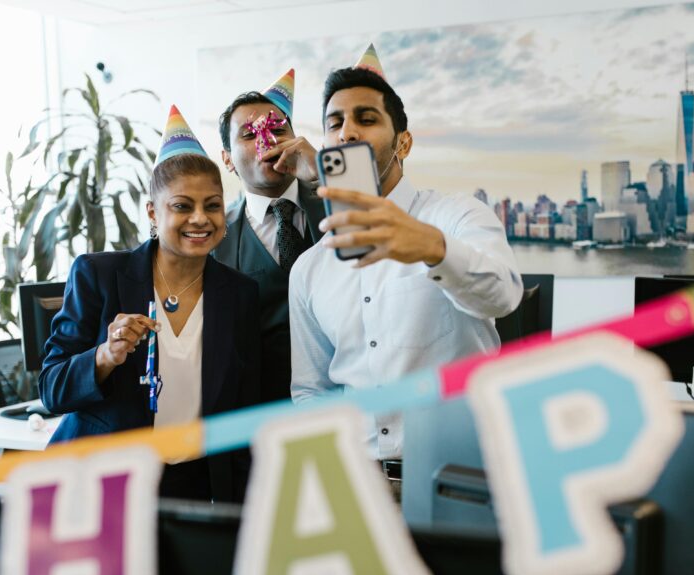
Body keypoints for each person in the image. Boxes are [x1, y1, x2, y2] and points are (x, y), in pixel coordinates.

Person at [288, 44, 523, 464]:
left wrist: (431, 248)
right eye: (335, 122)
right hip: (360, 479)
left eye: (367, 118)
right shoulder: (310, 267)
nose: (347, 133)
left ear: (404, 143)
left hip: (457, 473)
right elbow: (312, 390)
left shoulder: (456, 216)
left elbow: (504, 296)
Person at [40, 105, 260, 502]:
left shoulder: (240, 294)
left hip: (193, 486)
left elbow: (243, 413)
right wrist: (104, 357)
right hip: (101, 488)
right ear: (153, 213)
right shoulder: (99, 275)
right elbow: (52, 390)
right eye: (182, 206)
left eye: (212, 205)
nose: (200, 219)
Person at [214, 69, 325, 402]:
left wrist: (321, 172)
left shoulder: (339, 202)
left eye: (278, 129)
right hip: (259, 410)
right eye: (249, 135)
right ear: (227, 160)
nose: (268, 140)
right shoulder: (217, 238)